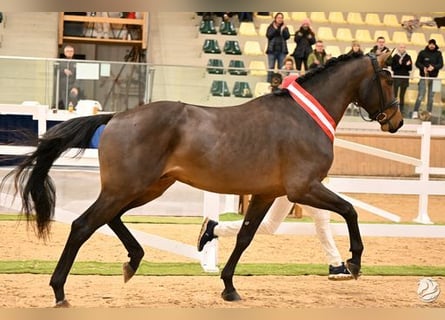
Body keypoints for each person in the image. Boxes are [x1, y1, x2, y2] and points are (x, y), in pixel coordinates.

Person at [198, 196, 353, 280]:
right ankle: (336, 265)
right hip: (294, 182)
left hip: (288, 183)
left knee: (270, 225)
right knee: (322, 215)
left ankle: (215, 229)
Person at [412, 39, 444, 119]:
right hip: (423, 77)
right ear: (428, 44)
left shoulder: (438, 53)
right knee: (421, 95)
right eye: (430, 44)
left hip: (434, 79)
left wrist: (433, 67)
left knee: (431, 97)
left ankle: (429, 112)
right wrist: (423, 68)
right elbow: (417, 63)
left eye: (433, 44)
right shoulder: (422, 53)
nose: (432, 45)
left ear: (435, 45)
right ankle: (415, 112)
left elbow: (441, 64)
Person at [265, 12, 291, 83]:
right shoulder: (270, 27)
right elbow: (269, 35)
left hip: (282, 51)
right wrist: (277, 29)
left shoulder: (284, 27)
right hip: (272, 51)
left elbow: (287, 36)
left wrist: (284, 30)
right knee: (271, 68)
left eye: (281, 18)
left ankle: (281, 83)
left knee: (282, 69)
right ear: (275, 19)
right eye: (278, 18)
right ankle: (269, 83)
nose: (280, 19)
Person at [391, 44, 412, 117]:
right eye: (401, 47)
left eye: (404, 47)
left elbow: (410, 68)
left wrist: (406, 65)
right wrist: (400, 64)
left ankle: (401, 111)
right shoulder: (395, 57)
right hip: (397, 77)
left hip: (405, 78)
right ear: (398, 48)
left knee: (402, 95)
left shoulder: (408, 57)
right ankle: (394, 110)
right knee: (395, 95)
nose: (402, 48)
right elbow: (393, 68)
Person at [58, 44, 82, 109]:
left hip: (73, 87)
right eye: (68, 51)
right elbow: (55, 71)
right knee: (64, 104)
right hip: (63, 87)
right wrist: (63, 71)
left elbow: (79, 76)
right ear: (65, 53)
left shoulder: (76, 62)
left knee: (73, 103)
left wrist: (75, 87)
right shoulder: (61, 62)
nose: (69, 53)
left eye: (71, 51)